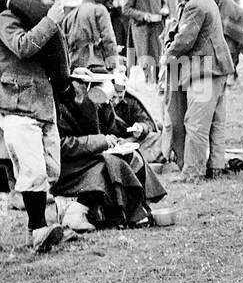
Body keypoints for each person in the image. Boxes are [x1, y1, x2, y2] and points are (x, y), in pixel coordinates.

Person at [0, 0, 70, 251]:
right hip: (15, 103)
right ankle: (38, 231)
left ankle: (43, 224)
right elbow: (23, 47)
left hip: (42, 105)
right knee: (33, 170)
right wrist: (51, 22)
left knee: (50, 169)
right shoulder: (6, 18)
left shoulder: (41, 19)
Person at [53, 68, 167, 230]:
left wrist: (115, 138)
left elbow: (113, 129)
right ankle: (84, 213)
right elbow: (62, 145)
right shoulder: (64, 106)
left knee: (132, 156)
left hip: (89, 157)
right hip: (68, 166)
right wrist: (101, 141)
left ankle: (135, 207)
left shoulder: (101, 103)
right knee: (111, 164)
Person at [161, 0, 236, 181]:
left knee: (195, 123)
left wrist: (167, 55)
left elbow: (184, 40)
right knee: (215, 123)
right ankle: (216, 167)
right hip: (217, 68)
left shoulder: (195, 6)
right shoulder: (205, 1)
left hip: (204, 71)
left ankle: (193, 172)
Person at [61, 0, 119, 72]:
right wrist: (113, 62)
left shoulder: (69, 15)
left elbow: (64, 43)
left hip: (73, 64)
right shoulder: (99, 10)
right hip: (94, 62)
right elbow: (108, 37)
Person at [123, 0, 167, 75]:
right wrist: (142, 15)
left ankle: (156, 82)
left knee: (158, 56)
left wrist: (165, 10)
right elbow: (126, 9)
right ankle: (145, 82)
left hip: (157, 27)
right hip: (141, 29)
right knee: (144, 57)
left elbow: (164, 4)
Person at [108, 68, 159, 160]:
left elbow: (147, 122)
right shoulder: (99, 102)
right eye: (113, 97)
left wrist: (141, 128)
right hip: (106, 142)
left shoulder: (131, 102)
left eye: (120, 97)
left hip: (128, 142)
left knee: (156, 137)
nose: (115, 101)